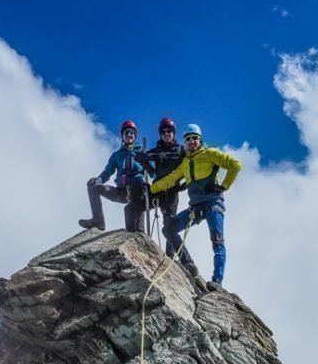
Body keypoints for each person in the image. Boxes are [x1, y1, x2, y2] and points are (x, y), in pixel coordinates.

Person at [150, 123, 242, 291]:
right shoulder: (185, 163)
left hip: (214, 204)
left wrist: (223, 186)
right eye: (188, 139)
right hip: (195, 208)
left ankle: (217, 282)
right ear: (185, 141)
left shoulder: (210, 154)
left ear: (200, 139)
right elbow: (171, 179)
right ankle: (188, 263)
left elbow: (235, 164)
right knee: (168, 229)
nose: (191, 142)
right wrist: (151, 188)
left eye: (194, 138)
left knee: (217, 241)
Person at [137, 117, 202, 280]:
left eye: (170, 131)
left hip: (171, 193)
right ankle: (137, 236)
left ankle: (181, 260)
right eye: (164, 131)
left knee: (169, 226)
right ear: (160, 134)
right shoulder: (155, 151)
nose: (167, 133)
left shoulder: (181, 150)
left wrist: (184, 185)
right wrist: (144, 161)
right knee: (134, 207)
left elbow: (190, 166)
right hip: (157, 190)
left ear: (174, 133)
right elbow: (150, 170)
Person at [79, 120, 149, 233]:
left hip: (138, 193)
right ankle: (98, 220)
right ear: (123, 136)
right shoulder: (116, 155)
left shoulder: (142, 152)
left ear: (135, 135)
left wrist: (147, 162)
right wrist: (98, 180)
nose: (129, 135)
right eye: (127, 132)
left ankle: (141, 240)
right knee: (93, 187)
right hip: (121, 192)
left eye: (131, 132)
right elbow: (107, 172)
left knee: (135, 230)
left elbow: (152, 173)